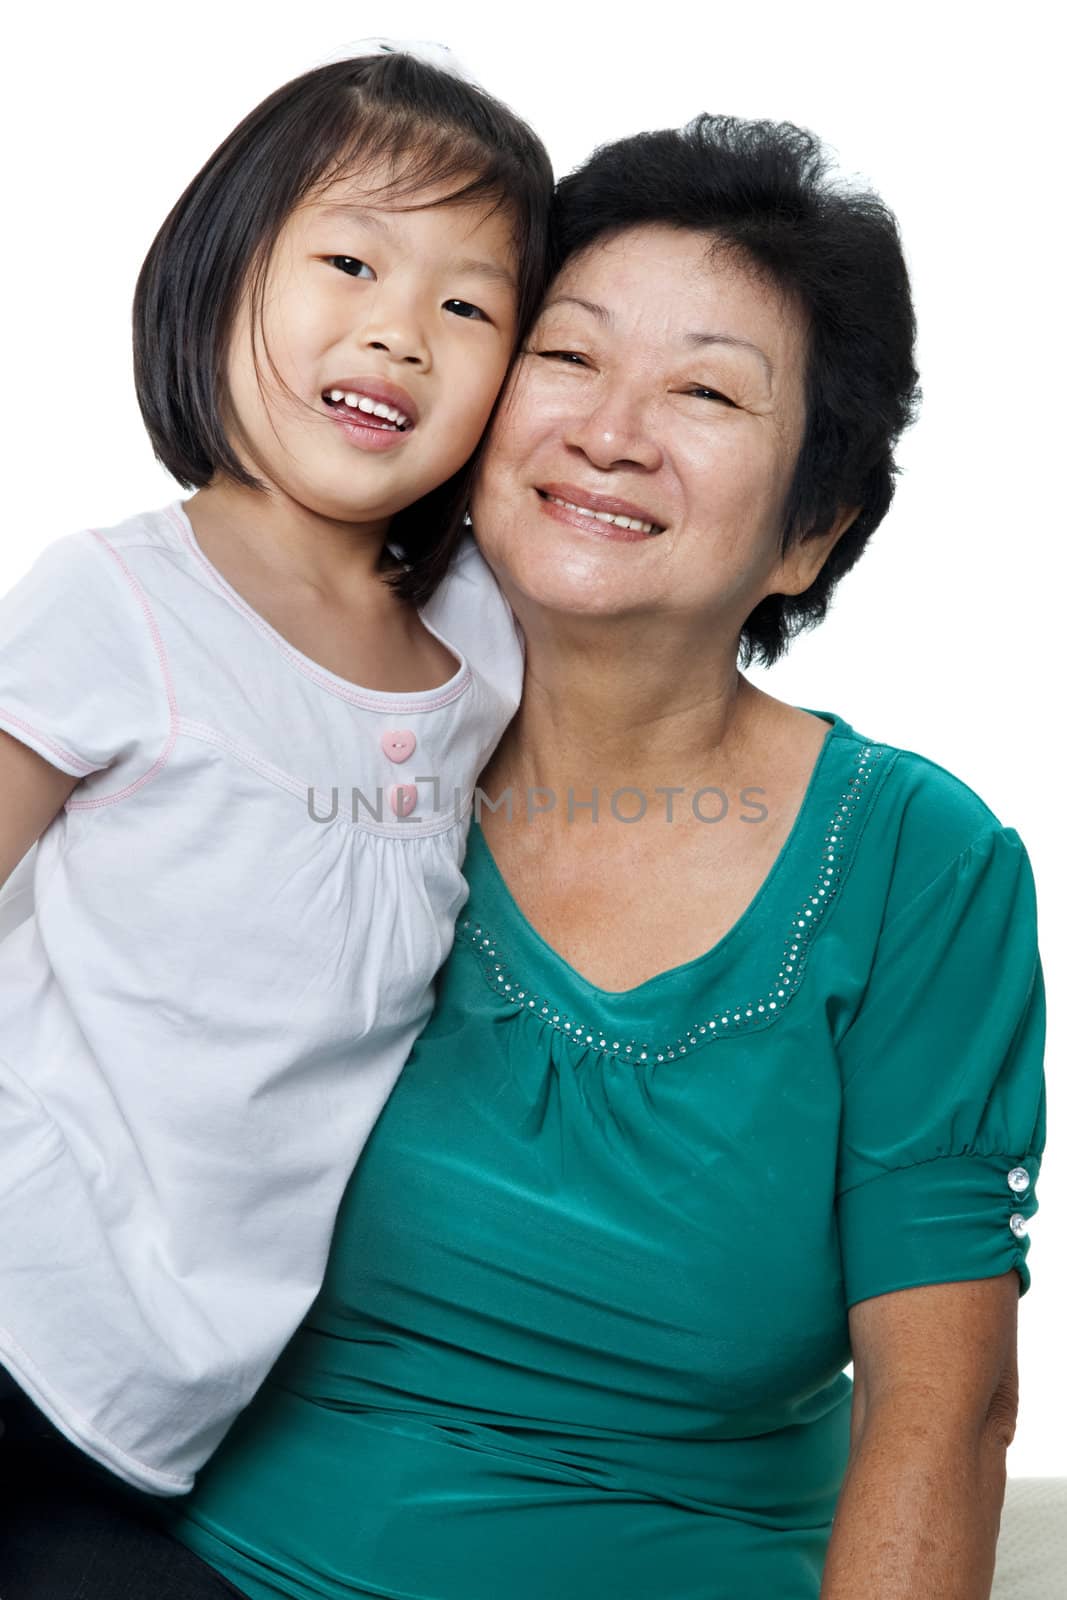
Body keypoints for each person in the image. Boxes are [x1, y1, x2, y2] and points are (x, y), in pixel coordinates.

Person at [5, 113, 1047, 1600]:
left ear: (810, 530)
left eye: (705, 391)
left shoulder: (918, 864)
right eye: (568, 356)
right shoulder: (297, 739)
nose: (613, 429)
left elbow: (946, 1411)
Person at [0, 44, 552, 1503]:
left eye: (467, 303)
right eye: (352, 262)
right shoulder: (118, 601)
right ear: (227, 270)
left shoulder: (484, 644)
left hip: (177, 1399)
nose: (401, 333)